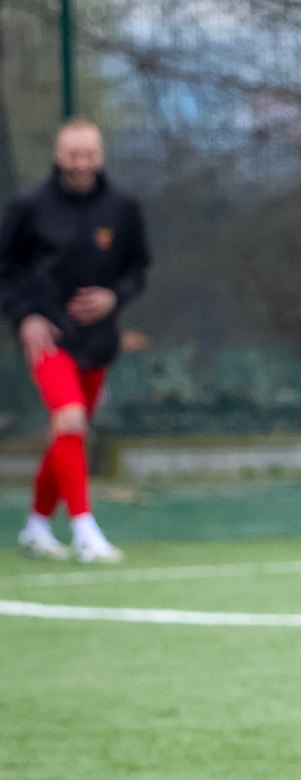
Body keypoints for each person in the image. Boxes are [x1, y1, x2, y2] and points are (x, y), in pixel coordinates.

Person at [2, 118, 148, 563]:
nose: (81, 163)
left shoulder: (123, 207)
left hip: (97, 341)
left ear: (100, 156)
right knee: (69, 420)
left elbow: (136, 269)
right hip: (47, 337)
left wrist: (113, 297)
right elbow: (5, 270)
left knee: (68, 433)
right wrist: (26, 316)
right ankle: (85, 531)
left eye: (89, 155)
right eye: (73, 155)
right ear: (58, 155)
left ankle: (35, 526)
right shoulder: (29, 207)